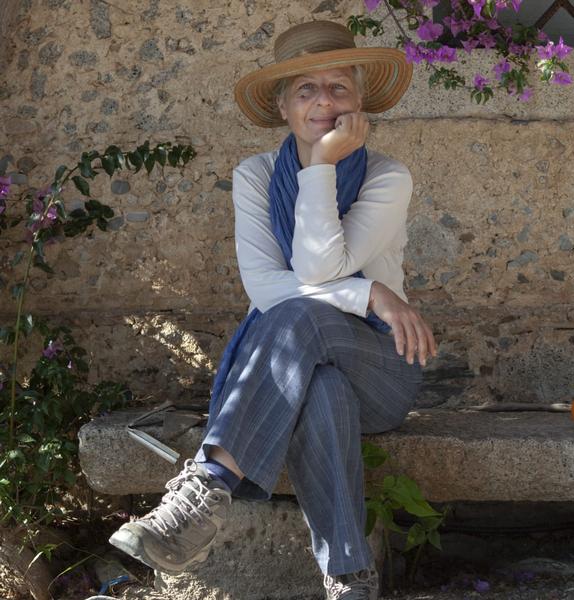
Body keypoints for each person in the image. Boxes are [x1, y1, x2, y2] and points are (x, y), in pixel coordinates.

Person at [108, 20, 436, 600]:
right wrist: (367, 293)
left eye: (339, 87)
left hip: (382, 368)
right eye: (306, 89)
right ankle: (351, 579)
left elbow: (315, 269)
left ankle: (206, 488)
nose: (323, 101)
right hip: (298, 370)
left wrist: (322, 165)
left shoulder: (388, 177)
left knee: (297, 318)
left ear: (359, 103)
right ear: (283, 106)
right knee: (321, 386)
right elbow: (264, 287)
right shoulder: (255, 177)